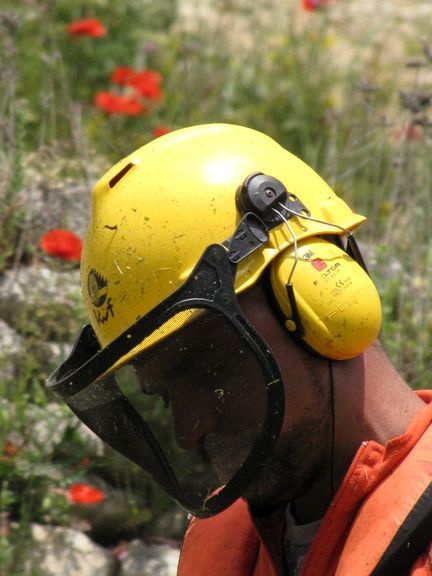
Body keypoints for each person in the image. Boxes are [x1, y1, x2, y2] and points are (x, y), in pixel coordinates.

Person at [47, 124, 432, 575]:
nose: (186, 432)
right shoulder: (230, 546)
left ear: (321, 295)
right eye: (166, 395)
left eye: (206, 369)